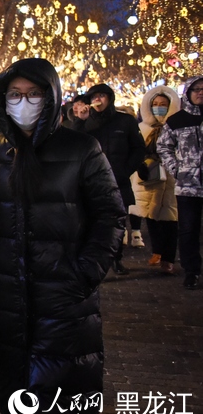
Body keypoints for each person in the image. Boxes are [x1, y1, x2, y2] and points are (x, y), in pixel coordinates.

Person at [0, 58, 124, 414]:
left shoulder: (82, 148)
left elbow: (110, 216)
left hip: (64, 298)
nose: (24, 102)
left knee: (65, 404)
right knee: (13, 398)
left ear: (51, 97)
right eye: (15, 94)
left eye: (34, 94)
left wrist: (84, 274)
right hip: (5, 298)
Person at [76, 84, 146, 274]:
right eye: (94, 97)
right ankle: (93, 262)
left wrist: (126, 169)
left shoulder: (125, 121)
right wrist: (80, 122)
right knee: (90, 222)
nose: (98, 100)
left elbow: (139, 148)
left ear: (109, 98)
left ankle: (117, 259)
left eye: (102, 96)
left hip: (118, 180)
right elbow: (73, 145)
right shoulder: (86, 122)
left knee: (116, 224)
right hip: (91, 181)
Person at [157, 75, 203, 290]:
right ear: (188, 93)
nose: (200, 92)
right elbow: (164, 146)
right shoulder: (176, 120)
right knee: (188, 229)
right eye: (196, 89)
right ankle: (191, 270)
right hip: (187, 186)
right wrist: (176, 169)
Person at [130, 86, 180, 275]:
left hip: (171, 179)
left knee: (170, 219)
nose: (159, 108)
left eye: (163, 105)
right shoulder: (142, 128)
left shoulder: (177, 127)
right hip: (149, 177)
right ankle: (157, 251)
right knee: (151, 217)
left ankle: (168, 258)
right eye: (156, 105)